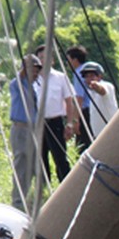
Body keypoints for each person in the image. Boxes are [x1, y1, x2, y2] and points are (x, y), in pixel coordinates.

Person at [34, 44, 77, 184]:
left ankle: (66, 185)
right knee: (40, 158)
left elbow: (69, 101)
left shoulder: (60, 77)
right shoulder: (32, 80)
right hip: (38, 124)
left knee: (60, 157)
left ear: (52, 60)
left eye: (46, 57)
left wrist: (70, 123)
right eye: (40, 58)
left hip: (55, 122)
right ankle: (44, 188)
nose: (43, 60)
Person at [9, 54, 41, 211]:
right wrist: (26, 65)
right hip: (21, 128)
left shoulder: (33, 87)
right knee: (21, 164)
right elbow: (20, 75)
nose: (35, 75)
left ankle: (30, 198)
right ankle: (18, 202)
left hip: (33, 129)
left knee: (34, 165)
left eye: (37, 72)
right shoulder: (18, 84)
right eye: (32, 71)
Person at [79, 62, 118, 140]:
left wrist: (95, 85)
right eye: (86, 76)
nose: (89, 79)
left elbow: (102, 90)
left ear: (100, 76)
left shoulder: (107, 85)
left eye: (92, 76)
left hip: (111, 133)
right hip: (98, 135)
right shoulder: (91, 92)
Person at [66, 45, 92, 153]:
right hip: (92, 110)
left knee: (83, 145)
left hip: (85, 112)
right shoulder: (88, 70)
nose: (67, 63)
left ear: (75, 60)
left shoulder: (79, 73)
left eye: (68, 60)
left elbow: (79, 98)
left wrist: (75, 120)